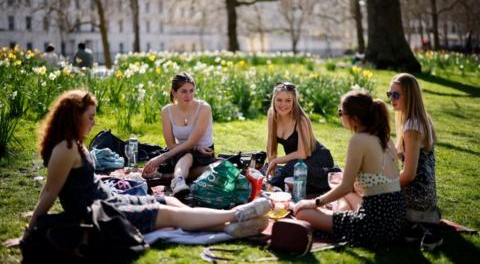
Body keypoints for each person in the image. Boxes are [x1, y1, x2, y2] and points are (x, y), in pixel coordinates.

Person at [26, 90, 270, 240]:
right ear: (73, 116)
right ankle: (235, 216)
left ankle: (231, 227)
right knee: (169, 213)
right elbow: (49, 192)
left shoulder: (74, 144)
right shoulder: (66, 148)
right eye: (90, 117)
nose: (94, 122)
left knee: (167, 200)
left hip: (109, 199)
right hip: (103, 212)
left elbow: (79, 182)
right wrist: (31, 229)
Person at [294, 89, 406, 247]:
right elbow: (371, 185)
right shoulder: (385, 138)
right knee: (343, 194)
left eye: (341, 112)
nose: (339, 115)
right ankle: (338, 216)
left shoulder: (359, 140)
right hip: (395, 219)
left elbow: (345, 187)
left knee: (301, 212)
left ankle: (336, 218)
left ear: (353, 118)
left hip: (375, 226)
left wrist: (313, 203)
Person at [388, 73, 442, 250]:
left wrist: (385, 186)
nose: (392, 99)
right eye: (390, 94)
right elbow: (397, 155)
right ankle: (419, 226)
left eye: (396, 95)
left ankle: (418, 225)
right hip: (427, 196)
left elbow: (409, 174)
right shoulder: (421, 120)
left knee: (371, 196)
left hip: (416, 197)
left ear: (409, 97)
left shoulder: (412, 127)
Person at [143, 72, 216, 197]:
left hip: (204, 153)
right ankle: (178, 180)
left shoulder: (204, 108)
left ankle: (175, 178)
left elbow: (192, 141)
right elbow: (171, 144)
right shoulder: (167, 111)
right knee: (188, 155)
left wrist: (161, 157)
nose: (189, 95)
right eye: (183, 91)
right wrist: (195, 147)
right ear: (174, 92)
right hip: (179, 151)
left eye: (191, 91)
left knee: (190, 156)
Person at [265, 82, 335, 195]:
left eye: (288, 100)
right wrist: (271, 163)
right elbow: (271, 144)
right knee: (282, 173)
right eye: (279, 100)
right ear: (274, 100)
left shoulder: (300, 119)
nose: (283, 104)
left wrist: (276, 161)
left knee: (289, 170)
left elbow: (303, 153)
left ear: (294, 101)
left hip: (318, 159)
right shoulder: (272, 115)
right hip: (296, 162)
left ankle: (331, 174)